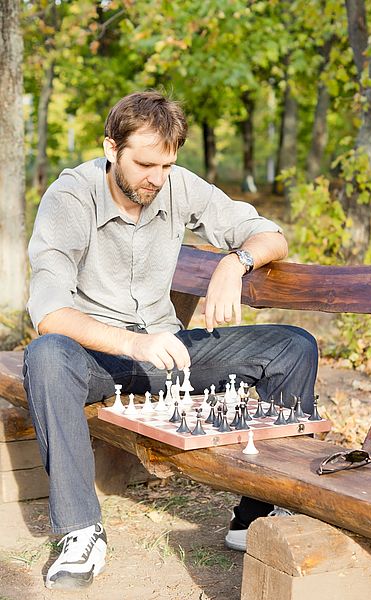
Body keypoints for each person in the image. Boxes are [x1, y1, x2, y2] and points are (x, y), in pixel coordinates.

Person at [23, 91, 319, 590]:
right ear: (110, 148)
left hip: (171, 352)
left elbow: (270, 233)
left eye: (166, 164)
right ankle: (81, 531)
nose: (155, 178)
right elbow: (49, 313)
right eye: (144, 163)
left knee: (293, 346)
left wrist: (234, 263)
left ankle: (255, 517)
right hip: (98, 357)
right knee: (45, 356)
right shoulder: (71, 195)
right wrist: (133, 344)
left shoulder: (177, 186)